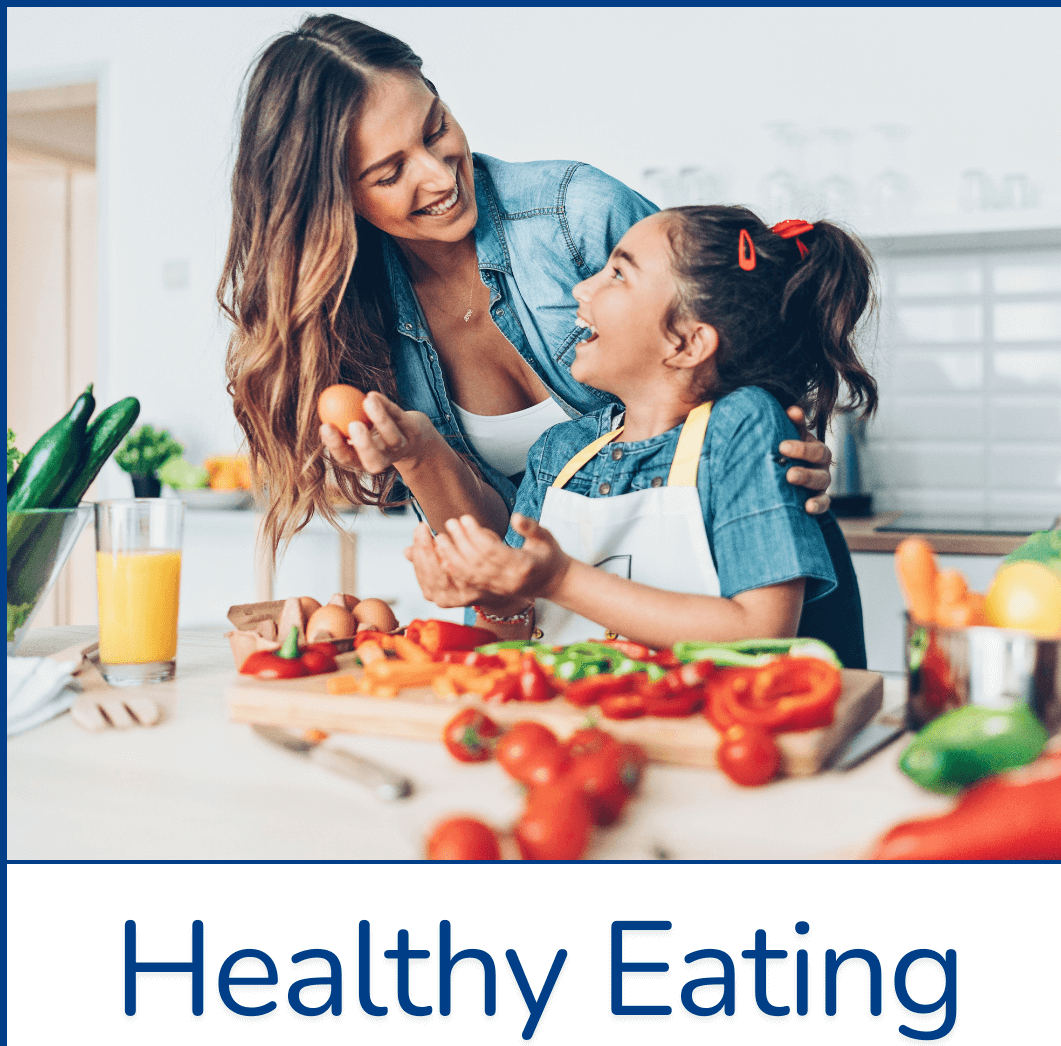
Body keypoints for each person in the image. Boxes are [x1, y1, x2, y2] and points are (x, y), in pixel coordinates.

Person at [218, 14, 834, 559]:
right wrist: (418, 454)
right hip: (578, 632)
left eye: (435, 130)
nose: (438, 177)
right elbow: (501, 556)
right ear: (333, 201)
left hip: (739, 571)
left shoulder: (579, 215)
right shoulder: (352, 321)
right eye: (390, 172)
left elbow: (738, 335)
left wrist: (791, 436)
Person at [408, 208, 876, 665]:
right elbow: (506, 645)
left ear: (687, 343)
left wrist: (560, 579)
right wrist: (495, 596)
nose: (582, 288)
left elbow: (760, 633)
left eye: (617, 274)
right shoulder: (558, 452)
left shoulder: (741, 425)